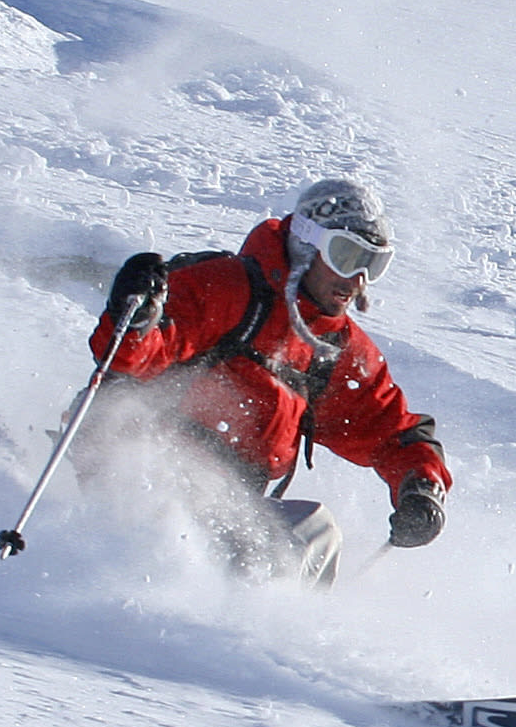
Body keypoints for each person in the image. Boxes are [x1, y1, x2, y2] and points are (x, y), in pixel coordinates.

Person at [87, 178, 450, 585]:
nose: (358, 279)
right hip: (141, 462)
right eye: (346, 255)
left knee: (316, 532)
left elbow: (389, 430)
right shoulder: (227, 287)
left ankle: (276, 631)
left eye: (374, 264)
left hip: (229, 506)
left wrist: (420, 486)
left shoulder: (333, 348)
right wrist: (135, 320)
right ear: (307, 244)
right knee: (262, 541)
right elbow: (133, 358)